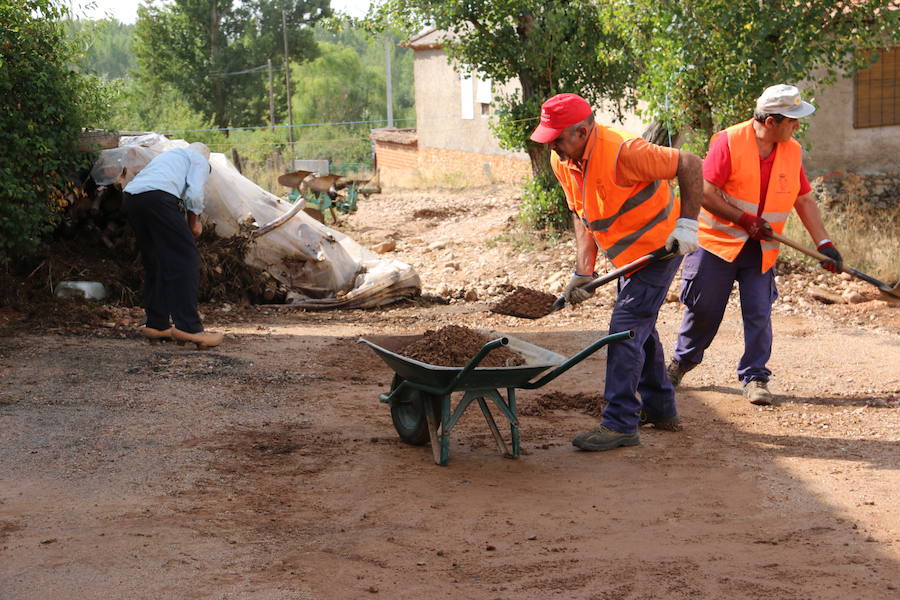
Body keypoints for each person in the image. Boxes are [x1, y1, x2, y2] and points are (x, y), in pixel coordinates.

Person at [530, 93, 704, 452]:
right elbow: (582, 214)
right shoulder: (563, 159)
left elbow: (690, 163)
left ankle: (620, 421)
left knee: (625, 326)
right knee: (642, 327)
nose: (554, 148)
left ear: (582, 131)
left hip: (660, 247)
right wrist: (583, 270)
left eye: (558, 139)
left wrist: (687, 225)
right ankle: (660, 408)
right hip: (626, 255)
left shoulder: (624, 151)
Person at [668, 84, 842, 405]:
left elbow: (803, 200)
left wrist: (824, 243)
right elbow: (705, 191)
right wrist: (743, 219)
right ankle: (682, 362)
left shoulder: (792, 150)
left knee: (759, 312)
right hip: (717, 244)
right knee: (704, 309)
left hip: (760, 248)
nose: (797, 126)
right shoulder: (729, 141)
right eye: (792, 120)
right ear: (771, 121)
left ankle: (755, 376)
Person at [122, 142, 224, 349]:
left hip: (131, 198)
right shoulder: (199, 159)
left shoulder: (168, 157)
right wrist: (193, 224)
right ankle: (189, 327)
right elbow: (194, 194)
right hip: (158, 199)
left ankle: (157, 324)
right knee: (185, 259)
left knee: (156, 260)